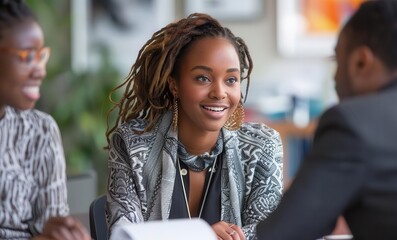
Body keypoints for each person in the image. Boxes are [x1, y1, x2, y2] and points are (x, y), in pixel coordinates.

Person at [256, 0, 397, 239]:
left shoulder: (352, 123)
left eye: (336, 61)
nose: (335, 77)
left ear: (361, 62)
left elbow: (279, 233)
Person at [105, 13, 284, 240]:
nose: (219, 92)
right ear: (174, 85)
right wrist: (203, 236)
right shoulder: (131, 145)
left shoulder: (261, 145)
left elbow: (273, 233)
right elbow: (123, 235)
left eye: (231, 80)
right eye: (203, 78)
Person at [0, 1, 90, 240]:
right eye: (27, 56)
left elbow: (48, 228)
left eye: (41, 56)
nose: (40, 70)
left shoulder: (40, 131)